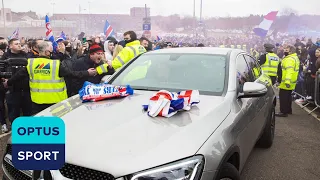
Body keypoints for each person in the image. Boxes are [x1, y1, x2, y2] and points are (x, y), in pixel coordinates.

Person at [4, 41, 97, 114]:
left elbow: (18, 76)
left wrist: (8, 83)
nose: (52, 52)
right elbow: (72, 74)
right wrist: (87, 73)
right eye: (50, 50)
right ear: (46, 52)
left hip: (38, 101)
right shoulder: (56, 64)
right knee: (56, 126)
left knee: (41, 126)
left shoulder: (31, 63)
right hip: (56, 102)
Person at [276, 45, 300, 117]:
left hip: (286, 81)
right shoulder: (294, 57)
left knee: (283, 96)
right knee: (288, 96)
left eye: (286, 50)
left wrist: (287, 81)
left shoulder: (289, 59)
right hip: (291, 80)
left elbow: (289, 71)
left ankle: (283, 112)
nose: (284, 51)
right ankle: (288, 110)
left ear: (291, 51)